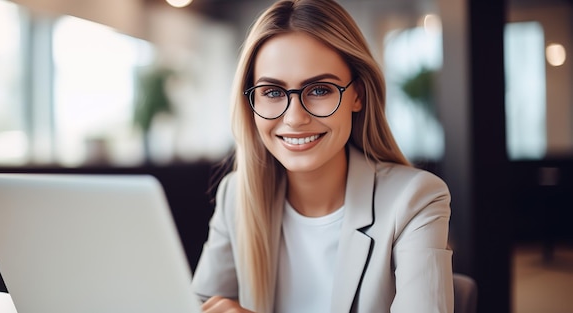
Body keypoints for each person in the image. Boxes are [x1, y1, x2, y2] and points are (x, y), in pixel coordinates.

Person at [191, 0, 454, 312]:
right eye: (273, 92)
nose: (294, 118)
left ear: (357, 94)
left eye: (318, 90)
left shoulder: (415, 200)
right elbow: (196, 304)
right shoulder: (236, 196)